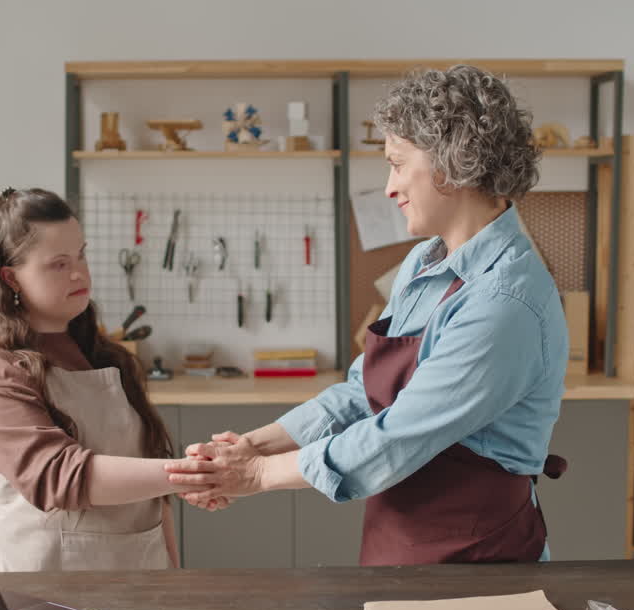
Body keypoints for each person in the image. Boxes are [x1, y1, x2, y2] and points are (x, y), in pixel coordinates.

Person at [165, 65, 568, 565]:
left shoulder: (505, 301)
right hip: (402, 541)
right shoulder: (424, 264)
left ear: (451, 163)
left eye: (398, 164)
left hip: (481, 559)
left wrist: (255, 475)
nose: (389, 187)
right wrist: (250, 448)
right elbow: (361, 395)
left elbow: (398, 437)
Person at [0, 187, 211, 571]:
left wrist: (173, 576)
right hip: (34, 591)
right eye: (58, 264)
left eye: (82, 254)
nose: (80, 272)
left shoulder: (99, 353)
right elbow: (58, 475)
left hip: (137, 579)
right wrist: (190, 474)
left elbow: (151, 491)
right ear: (11, 278)